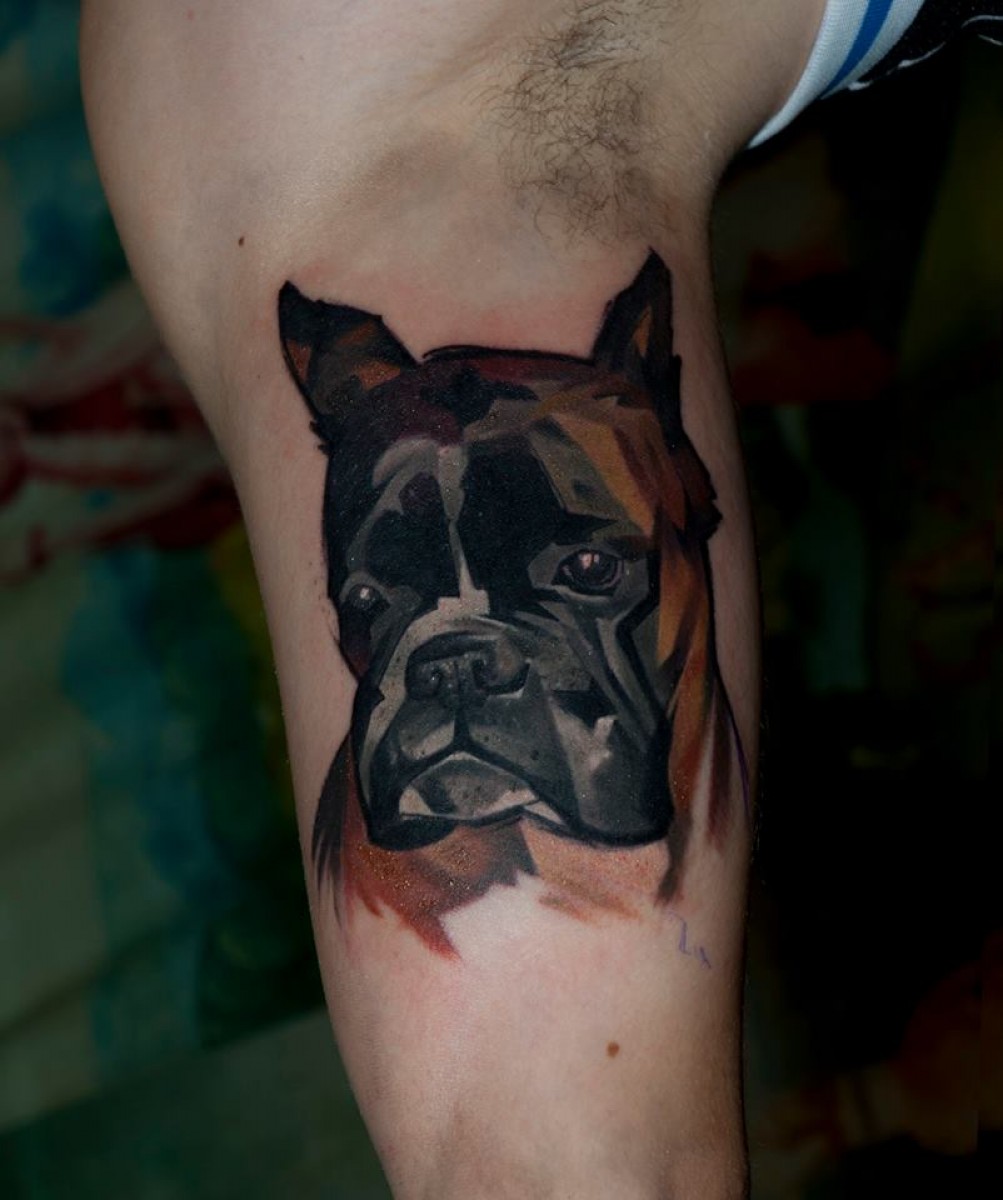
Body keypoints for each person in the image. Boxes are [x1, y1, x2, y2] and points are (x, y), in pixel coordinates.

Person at [79, 3, 999, 1197]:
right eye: (378, 597)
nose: (460, 662)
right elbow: (561, 1168)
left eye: (583, 572)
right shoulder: (346, 107)